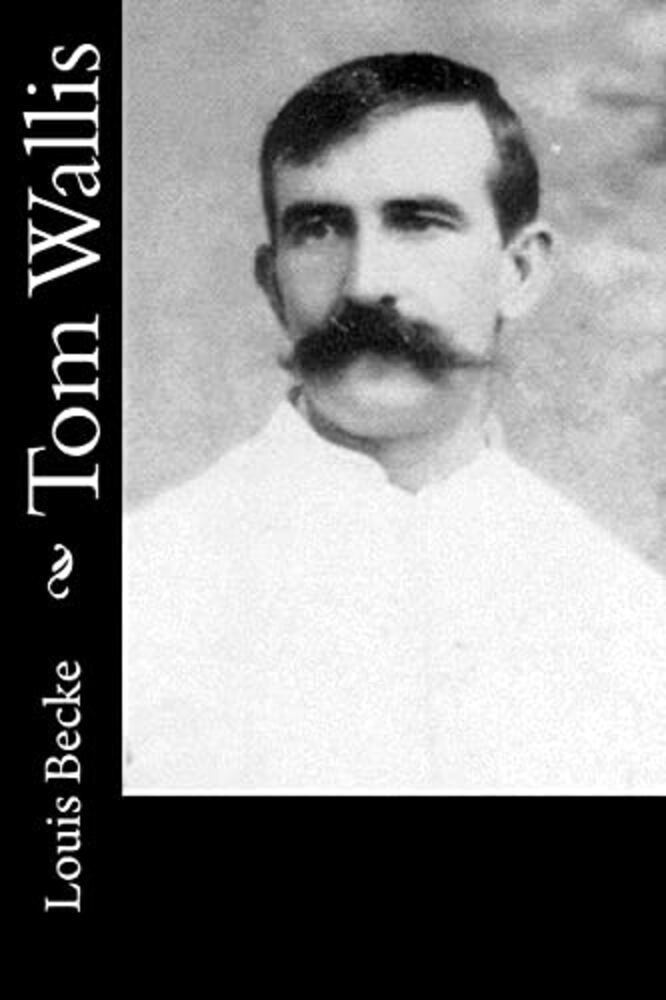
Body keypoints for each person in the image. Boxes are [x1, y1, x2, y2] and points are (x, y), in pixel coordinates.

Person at [125, 53, 666, 792]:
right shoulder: (142, 590)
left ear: (519, 272)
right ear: (273, 283)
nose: (366, 281)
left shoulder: (633, 625)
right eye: (318, 229)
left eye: (418, 222)